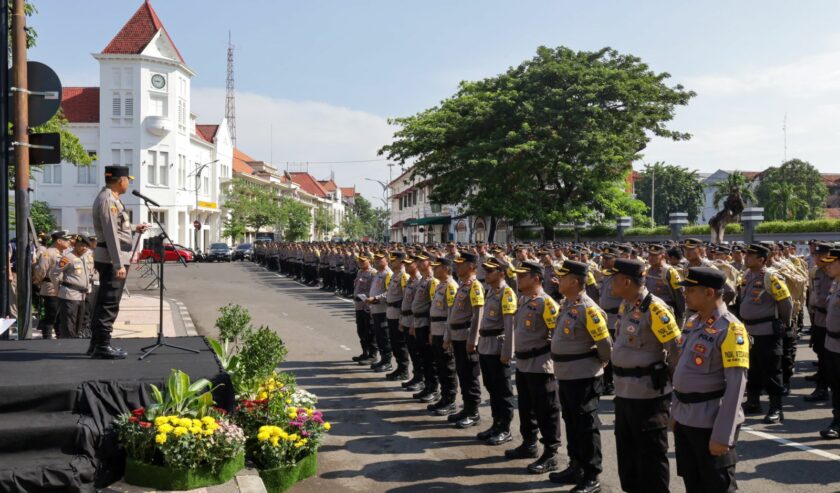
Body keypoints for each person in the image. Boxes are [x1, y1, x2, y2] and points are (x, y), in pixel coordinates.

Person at [672, 267, 748, 493]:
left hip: (711, 422)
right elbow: (683, 372)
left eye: (691, 290)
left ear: (710, 293)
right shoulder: (693, 321)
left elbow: (736, 385)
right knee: (692, 481)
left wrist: (723, 435)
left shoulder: (731, 328)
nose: (685, 294)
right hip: (686, 418)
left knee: (717, 485)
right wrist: (676, 412)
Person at [609, 258, 680, 493]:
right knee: (628, 455)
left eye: (614, 278)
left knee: (651, 457)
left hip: (648, 396)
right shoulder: (626, 305)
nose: (610, 282)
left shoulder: (655, 308)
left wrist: (675, 393)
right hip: (624, 392)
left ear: (627, 281)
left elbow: (675, 350)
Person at [549, 260, 612, 493]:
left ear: (574, 281)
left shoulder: (588, 308)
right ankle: (576, 465)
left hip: (583, 376)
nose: (558, 280)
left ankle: (591, 475)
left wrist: (602, 361)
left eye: (562, 277)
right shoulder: (568, 304)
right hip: (566, 375)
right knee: (572, 422)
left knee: (586, 426)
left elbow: (605, 344)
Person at [504, 260, 562, 475]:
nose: (518, 279)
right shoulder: (523, 299)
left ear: (536, 278)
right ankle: (529, 443)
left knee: (546, 410)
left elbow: (556, 334)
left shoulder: (546, 303)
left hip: (540, 364)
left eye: (522, 276)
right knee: (527, 407)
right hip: (523, 363)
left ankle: (551, 453)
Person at [89, 166, 149, 358]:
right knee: (109, 303)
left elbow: (117, 227)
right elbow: (110, 233)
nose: (129, 183)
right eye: (127, 179)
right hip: (111, 257)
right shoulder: (108, 199)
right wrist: (118, 264)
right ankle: (103, 346)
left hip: (110, 255)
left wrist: (133, 228)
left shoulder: (111, 199)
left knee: (105, 302)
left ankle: (96, 343)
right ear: (120, 180)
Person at [739, 243, 793, 424]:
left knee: (771, 370)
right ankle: (753, 402)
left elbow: (786, 302)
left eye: (750, 255)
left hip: (767, 331)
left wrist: (784, 323)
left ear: (761, 259)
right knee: (752, 368)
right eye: (746, 254)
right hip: (749, 331)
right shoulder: (747, 275)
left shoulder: (771, 277)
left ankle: (776, 408)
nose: (745, 257)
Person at [475, 257, 517, 446]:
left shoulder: (506, 293)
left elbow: (509, 325)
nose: (486, 274)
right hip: (486, 345)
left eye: (490, 271)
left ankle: (505, 428)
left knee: (503, 390)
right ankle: (496, 423)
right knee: (492, 388)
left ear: (501, 273)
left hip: (498, 347)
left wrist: (508, 352)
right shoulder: (490, 291)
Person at [445, 251, 485, 428]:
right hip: (458, 336)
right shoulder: (463, 285)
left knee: (470, 375)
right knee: (462, 373)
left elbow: (477, 315)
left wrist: (473, 340)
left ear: (471, 266)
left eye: (461, 264)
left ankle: (473, 412)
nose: (457, 266)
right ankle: (467, 408)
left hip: (467, 336)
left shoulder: (475, 286)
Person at [428, 257, 459, 416]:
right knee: (440, 366)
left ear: (446, 269)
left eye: (437, 267)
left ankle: (450, 401)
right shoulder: (441, 285)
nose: (434, 269)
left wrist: (448, 337)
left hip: (444, 332)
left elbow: (451, 314)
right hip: (437, 330)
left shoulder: (451, 287)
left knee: (448, 368)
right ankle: (444, 397)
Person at [818, 247, 840, 439]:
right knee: (836, 385)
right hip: (831, 342)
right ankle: (837, 420)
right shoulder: (835, 284)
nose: (827, 267)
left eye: (831, 264)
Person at [52, 235, 92, 339]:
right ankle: (67, 345)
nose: (84, 248)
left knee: (78, 324)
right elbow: (54, 273)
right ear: (75, 245)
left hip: (82, 295)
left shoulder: (84, 257)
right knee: (68, 325)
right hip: (69, 295)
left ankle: (74, 344)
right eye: (82, 245)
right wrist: (57, 289)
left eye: (86, 246)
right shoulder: (67, 258)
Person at [32, 231, 71, 339]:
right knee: (51, 315)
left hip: (61, 287)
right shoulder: (48, 253)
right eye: (66, 240)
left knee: (59, 317)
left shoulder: (62, 253)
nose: (68, 242)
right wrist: (38, 281)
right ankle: (47, 339)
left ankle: (60, 338)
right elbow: (41, 270)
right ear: (59, 241)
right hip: (51, 288)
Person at [366, 252, 393, 372]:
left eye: (380, 259)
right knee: (379, 337)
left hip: (383, 311)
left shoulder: (388, 274)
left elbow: (389, 293)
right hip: (376, 310)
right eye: (376, 259)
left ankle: (387, 362)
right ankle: (383, 359)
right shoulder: (378, 273)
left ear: (387, 260)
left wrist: (376, 298)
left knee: (384, 337)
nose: (377, 261)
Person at [352, 254, 378, 365]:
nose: (361, 262)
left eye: (363, 261)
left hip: (368, 307)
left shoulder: (373, 273)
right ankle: (365, 353)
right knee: (361, 330)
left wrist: (364, 296)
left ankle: (372, 355)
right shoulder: (360, 272)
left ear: (370, 260)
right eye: (360, 261)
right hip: (359, 306)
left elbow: (374, 290)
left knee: (370, 331)